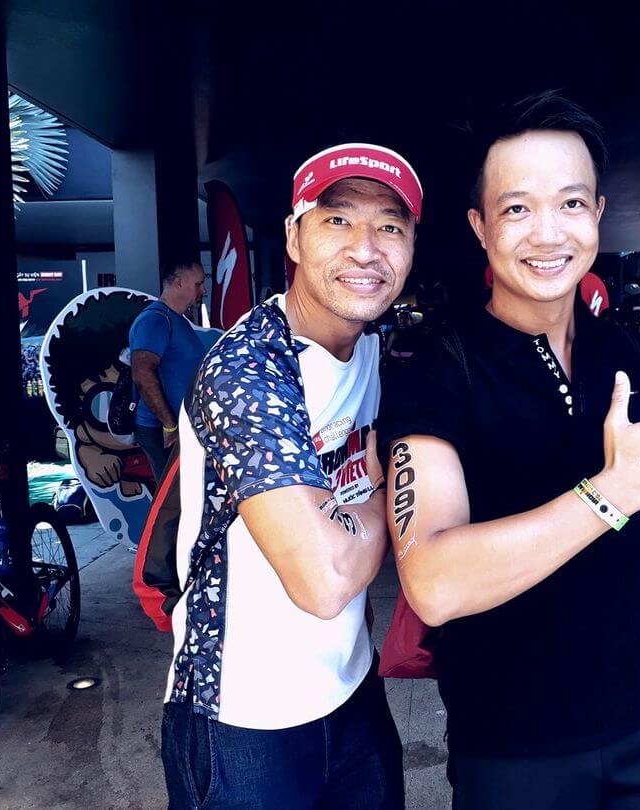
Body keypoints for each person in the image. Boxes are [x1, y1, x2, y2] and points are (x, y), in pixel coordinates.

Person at [378, 92, 640, 809]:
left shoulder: (619, 351)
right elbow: (434, 582)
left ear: (598, 213)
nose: (548, 233)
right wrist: (612, 493)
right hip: (515, 747)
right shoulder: (437, 368)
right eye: (517, 208)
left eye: (570, 203)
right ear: (479, 225)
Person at [160, 143, 423, 809]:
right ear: (294, 237)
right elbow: (323, 580)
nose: (365, 248)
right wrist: (398, 488)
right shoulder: (247, 369)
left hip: (352, 689)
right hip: (243, 717)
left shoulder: (369, 347)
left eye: (390, 225)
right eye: (337, 220)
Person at [129, 261, 209, 480]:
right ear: (179, 283)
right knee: (175, 497)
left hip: (179, 427)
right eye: (199, 284)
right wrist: (170, 425)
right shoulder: (155, 320)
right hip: (164, 431)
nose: (203, 290)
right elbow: (142, 373)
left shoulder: (175, 320)